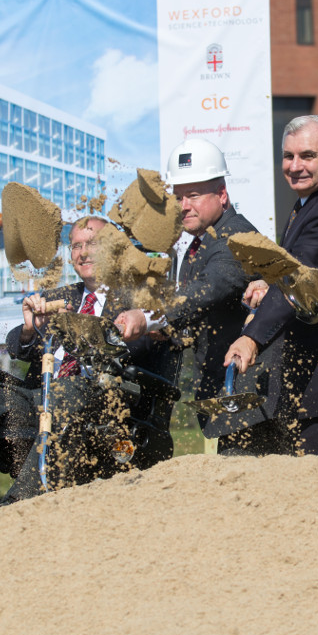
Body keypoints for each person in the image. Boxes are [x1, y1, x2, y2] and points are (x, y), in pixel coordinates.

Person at [0, 216, 177, 514]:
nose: (83, 253)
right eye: (76, 245)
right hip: (42, 397)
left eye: (92, 243)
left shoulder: (138, 297)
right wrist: (31, 329)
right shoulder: (61, 296)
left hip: (104, 406)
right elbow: (16, 344)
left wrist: (101, 334)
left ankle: (16, 504)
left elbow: (142, 344)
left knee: (67, 392)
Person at [223, 115, 318, 462]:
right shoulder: (311, 201)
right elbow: (298, 267)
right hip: (312, 371)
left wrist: (251, 338)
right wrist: (268, 280)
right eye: (288, 156)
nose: (295, 166)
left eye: (307, 156)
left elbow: (300, 281)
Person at [113, 138, 269, 450]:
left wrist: (146, 317)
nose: (184, 206)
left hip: (245, 396)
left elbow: (207, 291)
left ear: (222, 195)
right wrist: (168, 329)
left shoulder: (236, 239)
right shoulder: (200, 243)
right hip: (221, 394)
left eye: (194, 195)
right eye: (179, 196)